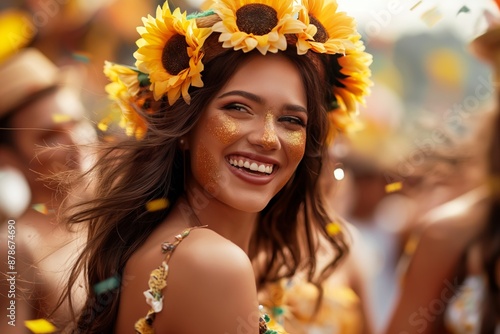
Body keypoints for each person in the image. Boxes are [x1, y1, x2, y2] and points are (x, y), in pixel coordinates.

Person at [59, 0, 372, 333]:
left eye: (291, 120)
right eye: (238, 108)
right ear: (184, 128)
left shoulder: (177, 246)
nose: (268, 138)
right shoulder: (213, 263)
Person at [0, 48, 90, 332]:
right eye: (49, 137)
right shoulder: (13, 247)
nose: (75, 143)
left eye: (76, 122)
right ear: (7, 158)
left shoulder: (121, 208)